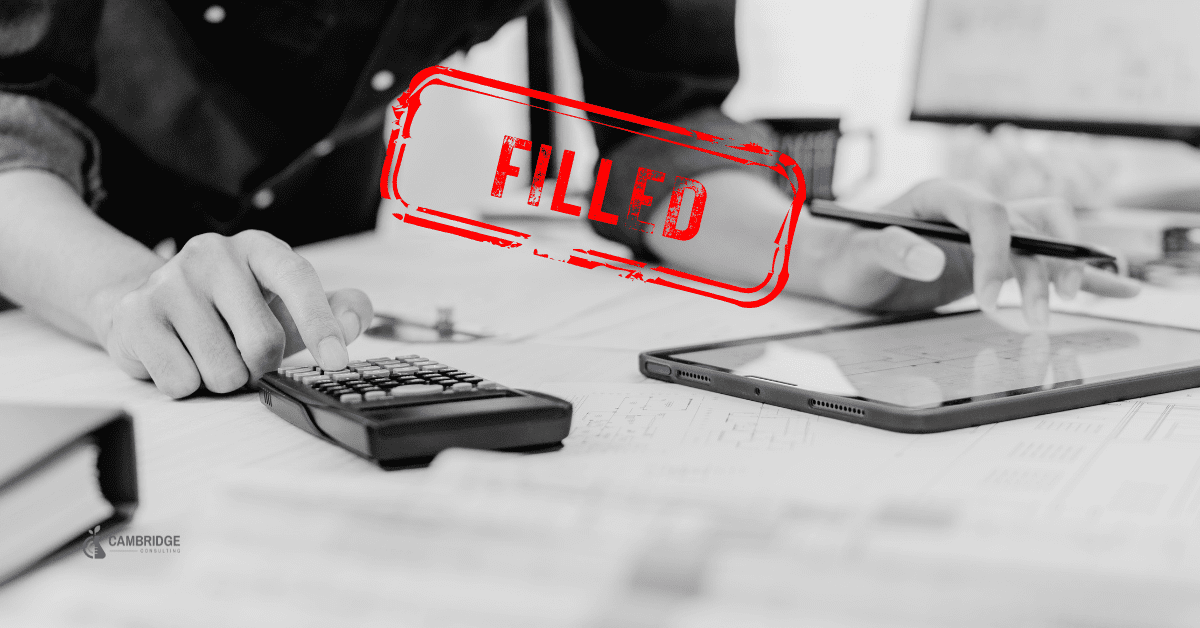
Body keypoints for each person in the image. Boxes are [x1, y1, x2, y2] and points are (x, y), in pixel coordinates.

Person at [0, 0, 1139, 398]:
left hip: (315, 273)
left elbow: (669, 129)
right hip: (51, 265)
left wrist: (814, 247)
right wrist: (123, 294)